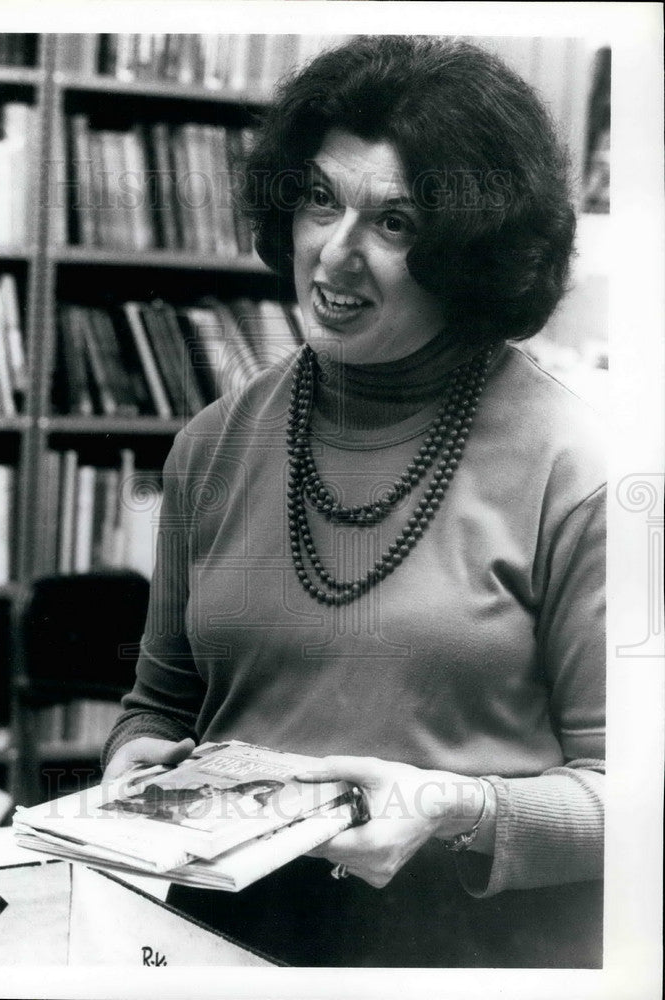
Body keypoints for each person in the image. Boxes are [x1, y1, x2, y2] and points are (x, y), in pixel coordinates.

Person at [102, 35, 605, 968]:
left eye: (397, 223)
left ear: (473, 253)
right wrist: (136, 755)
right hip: (220, 941)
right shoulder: (209, 446)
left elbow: (635, 797)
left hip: (471, 954)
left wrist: (457, 807)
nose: (334, 255)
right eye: (321, 200)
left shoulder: (580, 469)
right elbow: (161, 704)